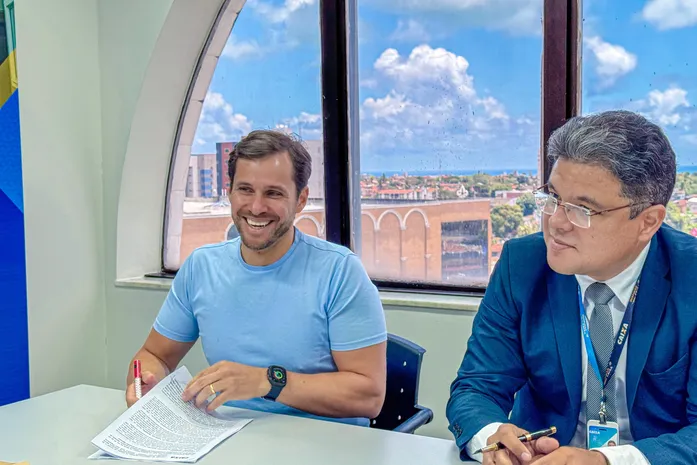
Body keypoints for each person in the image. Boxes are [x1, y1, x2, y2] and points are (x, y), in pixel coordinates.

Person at [447, 110, 697, 465]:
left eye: (583, 209)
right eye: (552, 198)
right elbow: (476, 387)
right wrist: (492, 436)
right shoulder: (522, 265)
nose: (556, 222)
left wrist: (607, 461)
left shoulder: (690, 277)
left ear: (648, 222)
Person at [125, 129, 387, 426]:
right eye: (245, 190)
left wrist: (268, 382)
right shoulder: (201, 267)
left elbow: (369, 397)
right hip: (228, 435)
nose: (256, 207)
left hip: (325, 442)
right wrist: (145, 381)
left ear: (301, 200)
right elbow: (155, 355)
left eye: (273, 193)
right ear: (230, 192)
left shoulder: (340, 272)